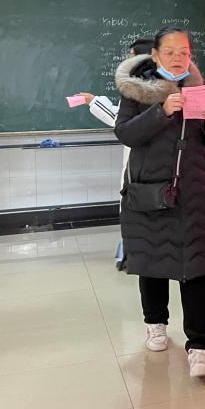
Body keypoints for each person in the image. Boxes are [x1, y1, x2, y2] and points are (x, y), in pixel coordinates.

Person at [114, 26, 205, 378]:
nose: (178, 58)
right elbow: (125, 133)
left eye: (184, 52)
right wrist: (161, 111)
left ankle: (200, 345)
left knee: (197, 267)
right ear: (155, 56)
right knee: (152, 260)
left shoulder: (200, 89)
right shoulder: (137, 90)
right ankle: (156, 324)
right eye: (170, 52)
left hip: (195, 193)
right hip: (150, 191)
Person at [78, 37, 154, 270]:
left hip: (145, 162)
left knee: (137, 205)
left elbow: (121, 120)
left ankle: (135, 253)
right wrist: (93, 102)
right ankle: (132, 252)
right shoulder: (138, 87)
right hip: (140, 161)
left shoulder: (146, 90)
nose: (126, 61)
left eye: (131, 56)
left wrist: (94, 102)